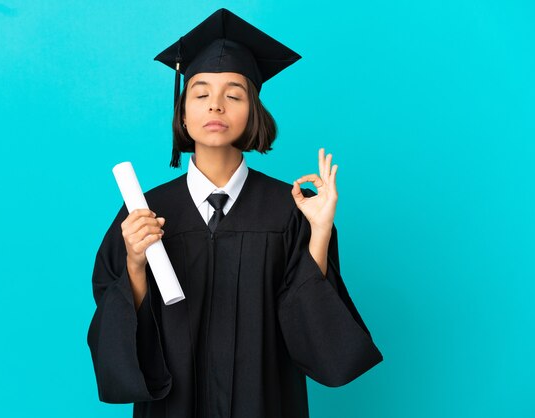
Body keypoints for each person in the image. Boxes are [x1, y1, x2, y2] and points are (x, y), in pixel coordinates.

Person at [87, 8, 383, 418]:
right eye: (201, 92)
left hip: (264, 403)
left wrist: (319, 231)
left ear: (253, 111)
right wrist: (136, 264)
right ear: (183, 112)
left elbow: (309, 327)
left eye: (234, 94)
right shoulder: (145, 211)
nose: (216, 106)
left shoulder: (291, 208)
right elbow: (113, 319)